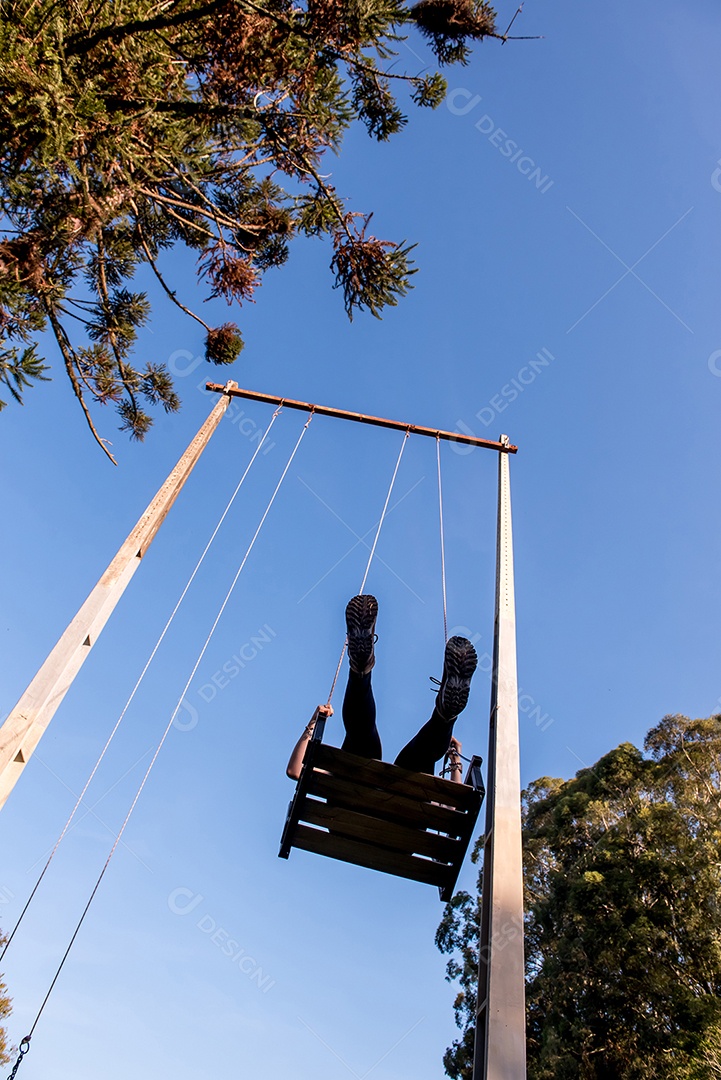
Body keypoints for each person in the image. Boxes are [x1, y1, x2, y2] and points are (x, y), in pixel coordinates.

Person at [287, 594, 478, 781]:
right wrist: (455, 762)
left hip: (357, 785)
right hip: (407, 800)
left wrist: (313, 724)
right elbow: (451, 808)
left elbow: (295, 771)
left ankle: (361, 669)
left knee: (362, 738)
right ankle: (445, 715)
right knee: (419, 756)